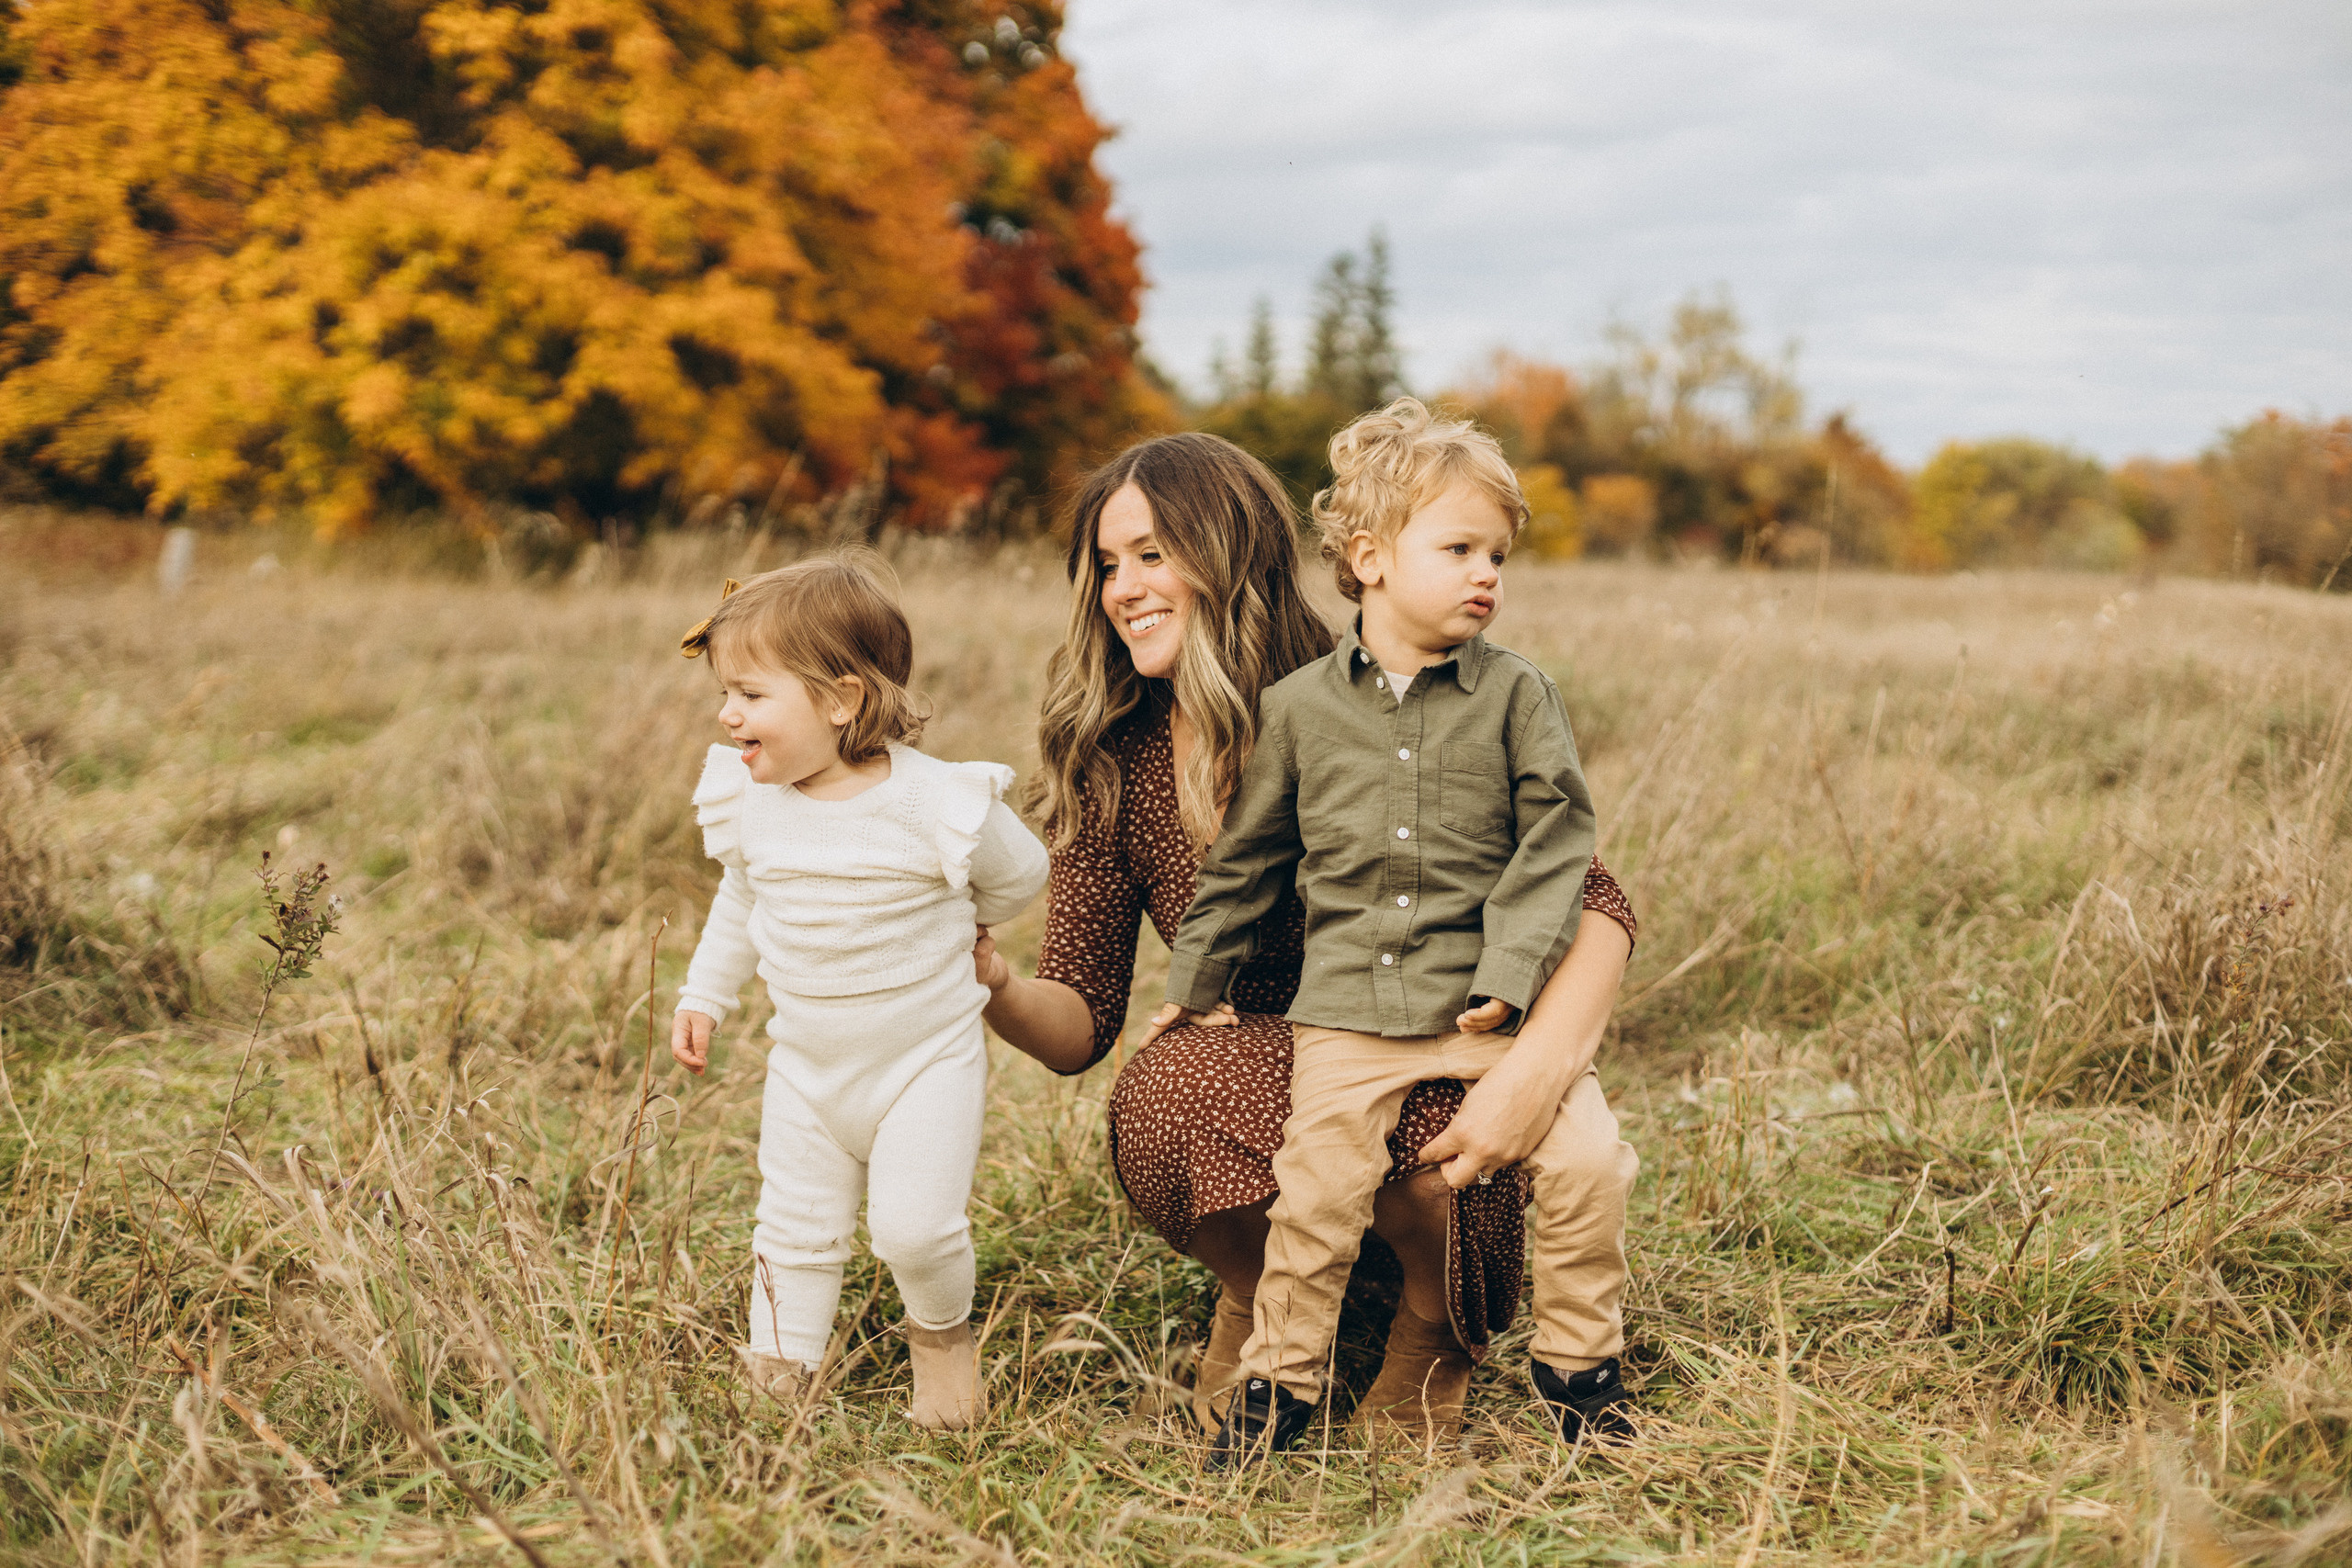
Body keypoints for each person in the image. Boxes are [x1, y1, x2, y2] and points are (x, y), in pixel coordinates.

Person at [974, 429, 1637, 1446]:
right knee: (1167, 1086)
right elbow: (1079, 1018)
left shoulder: (1362, 685)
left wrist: (1533, 1075)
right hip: (1309, 1068)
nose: (1123, 588)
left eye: (1152, 555)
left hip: (1438, 1055)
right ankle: (1262, 1302)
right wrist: (986, 980)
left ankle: (1430, 1327)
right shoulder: (1118, 757)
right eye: (1107, 564)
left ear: (1226, 550)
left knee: (1453, 1153)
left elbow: (1595, 897)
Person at [1159, 400, 1641, 1468]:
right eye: (1459, 548)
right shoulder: (1296, 711)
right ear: (1369, 560)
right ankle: (1276, 1389)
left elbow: (1559, 847)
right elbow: (1249, 861)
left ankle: (1579, 1373)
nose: (1487, 575)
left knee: (1589, 1161)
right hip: (1347, 1022)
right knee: (1316, 1190)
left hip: (1490, 1016)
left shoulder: (1520, 697)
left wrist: (1514, 975)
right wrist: (1198, 978)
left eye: (1498, 556)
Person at [668, 555, 1049, 1430]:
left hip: (922, 1063)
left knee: (915, 1230)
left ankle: (941, 1340)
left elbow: (1021, 874)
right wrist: (705, 994)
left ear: (840, 700)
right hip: (807, 1067)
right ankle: (780, 1374)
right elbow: (742, 896)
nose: (728, 714)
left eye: (752, 695)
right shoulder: (753, 797)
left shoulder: (933, 803)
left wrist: (967, 922)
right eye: (725, 693)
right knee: (792, 1229)